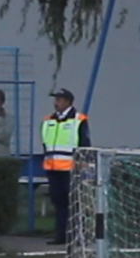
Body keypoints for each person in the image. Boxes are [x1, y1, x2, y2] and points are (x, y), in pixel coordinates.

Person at [42, 88, 90, 246]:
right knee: (58, 202)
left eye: (59, 100)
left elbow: (84, 144)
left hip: (70, 168)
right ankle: (61, 235)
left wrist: (82, 163)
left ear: (68, 102)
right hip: (52, 168)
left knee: (73, 203)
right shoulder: (49, 120)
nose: (56, 103)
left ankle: (75, 236)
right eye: (55, 99)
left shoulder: (78, 119)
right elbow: (45, 143)